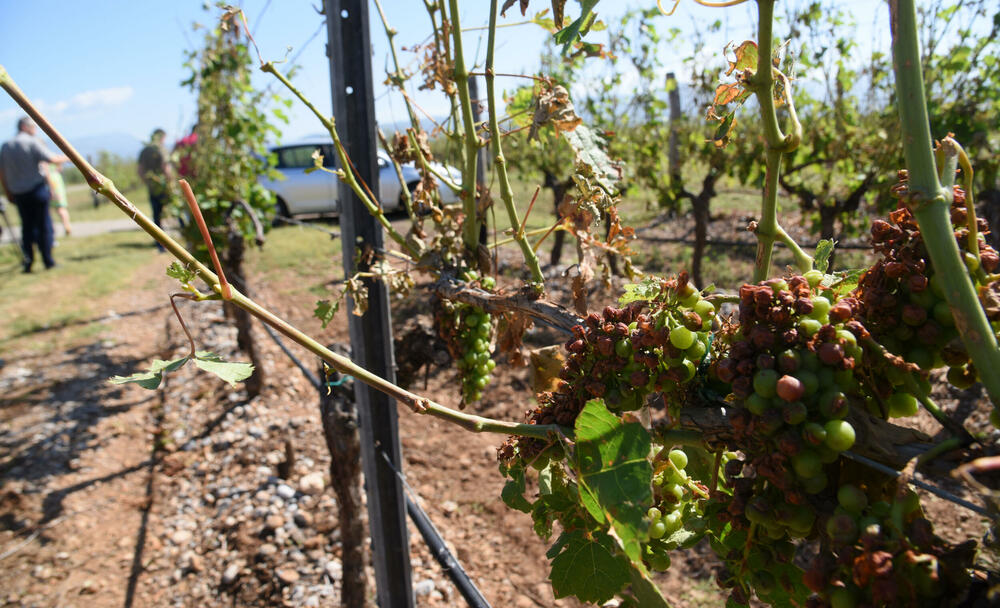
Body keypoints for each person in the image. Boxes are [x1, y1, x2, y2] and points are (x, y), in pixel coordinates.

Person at [0, 117, 69, 273]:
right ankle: (48, 261)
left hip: (19, 193)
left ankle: (28, 261)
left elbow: (2, 173)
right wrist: (69, 157)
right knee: (44, 226)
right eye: (34, 127)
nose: (36, 130)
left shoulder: (6, 145)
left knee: (27, 227)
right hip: (36, 190)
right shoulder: (31, 142)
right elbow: (51, 159)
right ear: (25, 127)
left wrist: (8, 191)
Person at [137, 128, 173, 250]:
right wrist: (171, 183)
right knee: (177, 213)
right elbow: (166, 167)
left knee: (156, 216)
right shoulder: (161, 149)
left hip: (152, 188)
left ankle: (160, 244)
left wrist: (147, 182)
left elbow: (140, 170)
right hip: (164, 187)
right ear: (161, 137)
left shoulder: (144, 151)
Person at [45, 162, 72, 236]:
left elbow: (45, 172)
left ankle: (51, 230)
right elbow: (60, 168)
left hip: (49, 183)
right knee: (61, 208)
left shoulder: (43, 159)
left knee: (47, 210)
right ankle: (67, 226)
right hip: (57, 182)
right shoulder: (53, 158)